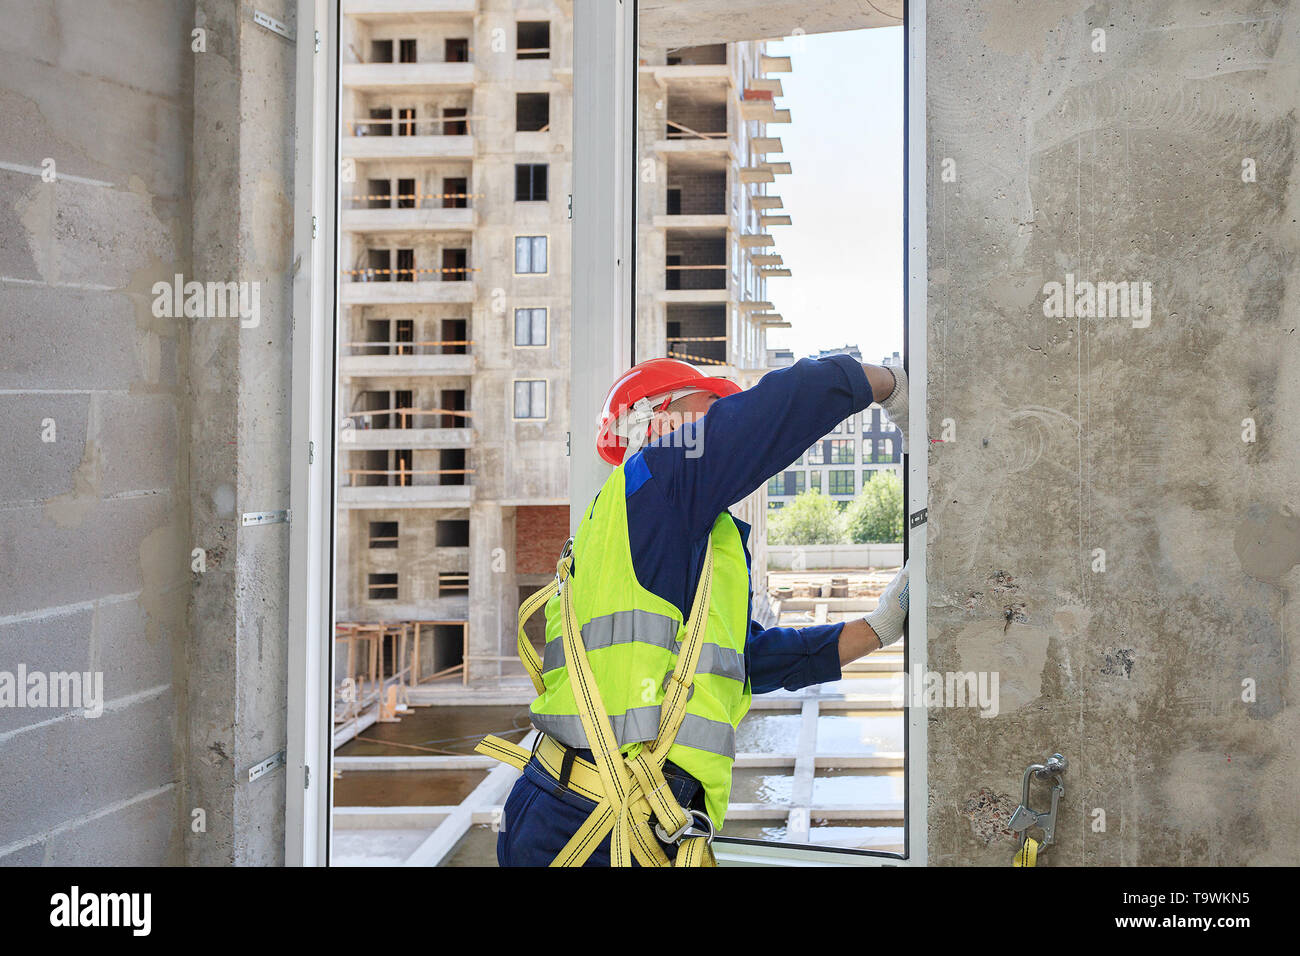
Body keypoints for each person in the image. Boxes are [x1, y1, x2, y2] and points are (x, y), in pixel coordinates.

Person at [479, 353, 911, 866]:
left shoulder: (652, 522)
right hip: (602, 817)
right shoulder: (661, 477)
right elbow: (781, 408)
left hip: (589, 810)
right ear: (656, 419)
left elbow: (742, 661)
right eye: (708, 407)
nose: (719, 422)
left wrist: (879, 627)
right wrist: (888, 385)